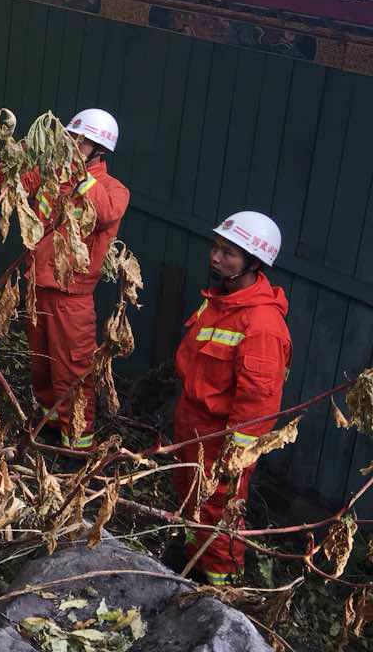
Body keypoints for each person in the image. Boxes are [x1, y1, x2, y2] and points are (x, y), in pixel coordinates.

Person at [171, 211, 291, 585]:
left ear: (253, 263)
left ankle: (222, 590)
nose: (216, 257)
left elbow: (257, 403)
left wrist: (232, 457)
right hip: (192, 424)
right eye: (217, 247)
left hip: (221, 440)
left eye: (229, 253)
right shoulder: (218, 301)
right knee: (189, 501)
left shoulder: (262, 327)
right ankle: (192, 564)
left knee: (217, 514)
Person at [24, 109, 129, 450]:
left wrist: (77, 172)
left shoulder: (111, 189)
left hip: (72, 297)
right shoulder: (52, 176)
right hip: (36, 287)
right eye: (71, 137)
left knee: (72, 371)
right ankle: (50, 426)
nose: (73, 144)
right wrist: (24, 154)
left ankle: (76, 446)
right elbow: (17, 186)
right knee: (42, 363)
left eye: (81, 141)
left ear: (99, 149)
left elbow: (104, 213)